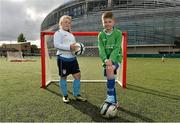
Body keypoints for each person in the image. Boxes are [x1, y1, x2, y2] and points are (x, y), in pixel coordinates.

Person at [54, 15, 87, 103]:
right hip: (62, 59)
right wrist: (70, 47)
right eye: (65, 22)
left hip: (73, 59)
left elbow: (74, 47)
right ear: (61, 23)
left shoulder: (71, 35)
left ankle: (76, 94)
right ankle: (65, 95)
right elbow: (57, 45)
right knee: (63, 77)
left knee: (78, 76)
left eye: (69, 23)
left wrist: (78, 49)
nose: (67, 24)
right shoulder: (58, 33)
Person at [98, 11, 122, 107]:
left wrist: (111, 60)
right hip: (106, 60)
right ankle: (114, 101)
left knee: (110, 69)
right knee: (109, 78)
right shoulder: (101, 35)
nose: (107, 24)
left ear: (113, 22)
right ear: (102, 23)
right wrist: (105, 60)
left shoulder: (118, 33)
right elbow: (101, 49)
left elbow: (117, 48)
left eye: (109, 21)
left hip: (116, 58)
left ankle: (110, 97)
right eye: (105, 22)